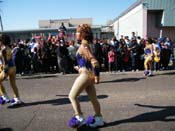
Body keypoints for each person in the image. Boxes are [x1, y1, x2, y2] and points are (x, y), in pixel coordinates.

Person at [68, 24, 104, 128]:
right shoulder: (87, 44)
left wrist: (97, 76)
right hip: (87, 73)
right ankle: (99, 119)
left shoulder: (84, 46)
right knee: (93, 98)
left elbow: (94, 61)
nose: (76, 34)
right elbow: (87, 61)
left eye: (78, 32)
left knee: (72, 96)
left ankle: (79, 117)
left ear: (83, 34)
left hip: (86, 75)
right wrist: (79, 67)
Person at [0, 34, 23, 107]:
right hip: (13, 67)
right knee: (13, 84)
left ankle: (4, 96)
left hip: (7, 68)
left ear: (2, 41)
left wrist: (5, 70)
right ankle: (17, 99)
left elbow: (5, 61)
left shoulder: (3, 49)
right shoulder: (8, 47)